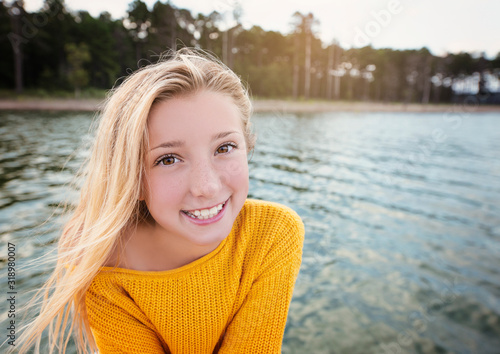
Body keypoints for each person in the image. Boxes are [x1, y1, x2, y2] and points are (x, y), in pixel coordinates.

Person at [16, 48, 304, 353]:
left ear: (248, 146)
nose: (205, 187)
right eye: (168, 159)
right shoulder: (104, 264)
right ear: (132, 179)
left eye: (224, 147)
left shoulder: (273, 234)